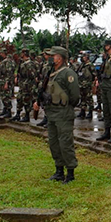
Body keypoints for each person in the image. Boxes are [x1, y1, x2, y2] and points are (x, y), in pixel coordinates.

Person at [33, 46, 80, 184]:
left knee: (65, 143)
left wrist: (65, 106)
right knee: (54, 143)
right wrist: (39, 103)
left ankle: (70, 173)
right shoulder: (50, 73)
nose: (49, 58)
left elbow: (75, 96)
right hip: (51, 113)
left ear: (59, 58)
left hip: (63, 114)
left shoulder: (68, 74)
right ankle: (59, 171)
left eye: (52, 56)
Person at [12, 48, 37, 122]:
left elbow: (32, 75)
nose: (21, 54)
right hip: (22, 85)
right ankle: (17, 114)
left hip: (27, 85)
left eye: (22, 53)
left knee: (26, 100)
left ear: (24, 53)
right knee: (19, 99)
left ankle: (27, 116)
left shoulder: (29, 63)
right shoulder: (22, 62)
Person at [0, 49, 15, 118]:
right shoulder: (3, 61)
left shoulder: (8, 61)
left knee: (7, 97)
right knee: (3, 96)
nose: (0, 55)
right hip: (2, 81)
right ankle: (5, 110)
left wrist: (6, 83)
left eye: (1, 53)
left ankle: (8, 112)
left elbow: (9, 72)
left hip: (6, 81)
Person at [77, 52, 96, 120]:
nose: (83, 58)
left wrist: (92, 82)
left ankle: (90, 112)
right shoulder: (82, 65)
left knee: (89, 98)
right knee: (82, 98)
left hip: (87, 84)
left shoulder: (90, 65)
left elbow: (94, 74)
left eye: (84, 57)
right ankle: (82, 111)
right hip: (81, 84)